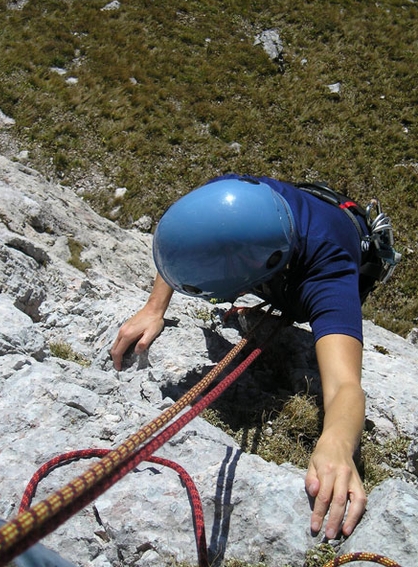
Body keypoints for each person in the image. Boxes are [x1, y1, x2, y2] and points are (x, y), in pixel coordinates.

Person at [110, 174, 400, 541]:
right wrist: (154, 307)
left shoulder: (331, 276)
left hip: (334, 245)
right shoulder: (235, 198)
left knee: (299, 307)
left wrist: (338, 445)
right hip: (293, 220)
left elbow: (345, 385)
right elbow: (193, 235)